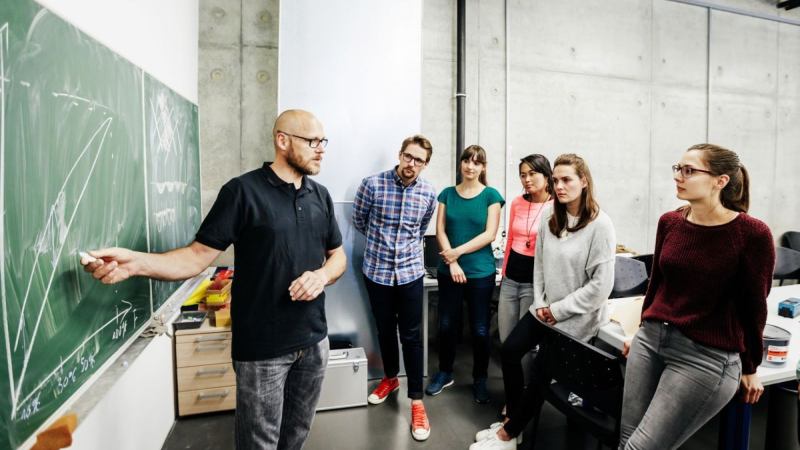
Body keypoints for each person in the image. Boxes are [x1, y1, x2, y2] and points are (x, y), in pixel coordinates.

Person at [81, 110, 346, 450]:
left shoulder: (320, 195)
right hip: (262, 350)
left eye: (323, 141)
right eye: (312, 141)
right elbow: (195, 257)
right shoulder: (242, 192)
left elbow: (337, 257)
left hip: (314, 342)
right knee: (259, 444)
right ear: (282, 141)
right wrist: (135, 264)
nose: (321, 149)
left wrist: (321, 275)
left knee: (295, 437)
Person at [617, 144, 775, 450]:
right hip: (651, 341)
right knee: (626, 441)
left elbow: (754, 307)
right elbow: (657, 285)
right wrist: (641, 327)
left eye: (689, 170)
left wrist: (750, 366)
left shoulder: (752, 234)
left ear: (720, 181)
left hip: (705, 358)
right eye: (678, 168)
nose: (678, 176)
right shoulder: (670, 222)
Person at [472, 153, 616, 449]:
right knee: (510, 351)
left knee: (542, 370)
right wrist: (540, 303)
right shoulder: (551, 215)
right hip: (545, 310)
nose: (559, 186)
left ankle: (509, 434)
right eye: (556, 180)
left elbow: (600, 286)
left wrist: (557, 310)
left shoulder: (600, 225)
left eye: (567, 180)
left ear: (584, 181)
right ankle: (513, 420)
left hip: (576, 318)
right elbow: (539, 266)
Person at [352, 135, 437, 441]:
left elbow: (421, 228)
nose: (412, 164)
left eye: (419, 160)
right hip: (377, 272)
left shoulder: (429, 193)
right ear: (400, 154)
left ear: (425, 164)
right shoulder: (372, 185)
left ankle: (416, 401)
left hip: (410, 273)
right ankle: (390, 378)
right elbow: (359, 220)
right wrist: (383, 245)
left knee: (411, 337)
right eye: (408, 156)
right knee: (385, 330)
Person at [425, 145, 504, 404]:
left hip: (480, 272)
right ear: (461, 163)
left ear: (483, 167)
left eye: (476, 162)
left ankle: (480, 378)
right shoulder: (447, 194)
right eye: (466, 161)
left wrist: (456, 253)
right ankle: (445, 372)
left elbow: (489, 234)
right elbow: (440, 231)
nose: (470, 166)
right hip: (449, 271)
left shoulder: (491, 196)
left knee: (480, 329)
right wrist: (452, 263)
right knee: (447, 324)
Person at [497, 155, 554, 383]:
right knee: (506, 341)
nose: (527, 179)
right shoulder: (517, 203)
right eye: (523, 175)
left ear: (546, 175)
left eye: (532, 174)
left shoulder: (555, 206)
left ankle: (526, 395)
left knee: (526, 345)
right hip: (511, 280)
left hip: (534, 283)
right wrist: (504, 273)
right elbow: (511, 238)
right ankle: (513, 395)